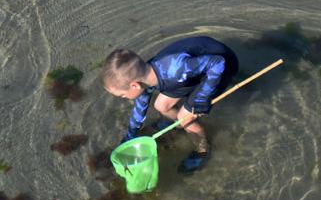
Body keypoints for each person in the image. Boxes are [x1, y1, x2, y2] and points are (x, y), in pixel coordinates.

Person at [101, 36, 239, 173]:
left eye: (122, 95)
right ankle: (177, 125)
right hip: (193, 74)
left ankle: (202, 150)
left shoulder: (175, 69)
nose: (123, 98)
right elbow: (140, 108)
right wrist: (130, 136)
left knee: (184, 116)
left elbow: (218, 63)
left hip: (221, 68)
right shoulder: (146, 76)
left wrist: (201, 99)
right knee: (161, 105)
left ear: (134, 85)